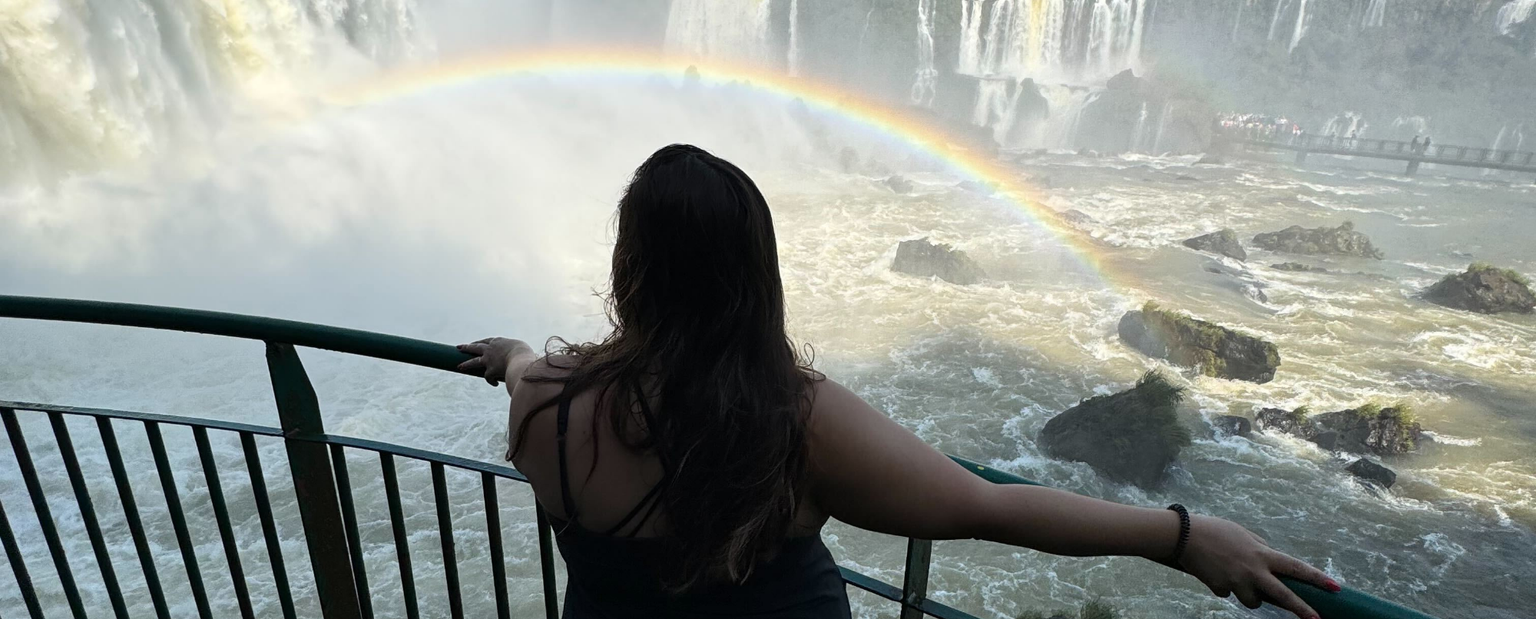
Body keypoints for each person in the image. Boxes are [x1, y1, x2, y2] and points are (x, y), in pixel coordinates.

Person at [457, 144, 1338, 619]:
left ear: (629, 263)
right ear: (755, 272)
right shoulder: (791, 419)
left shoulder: (545, 402)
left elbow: (530, 366)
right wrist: (1180, 536)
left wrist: (510, 356)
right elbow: (989, 507)